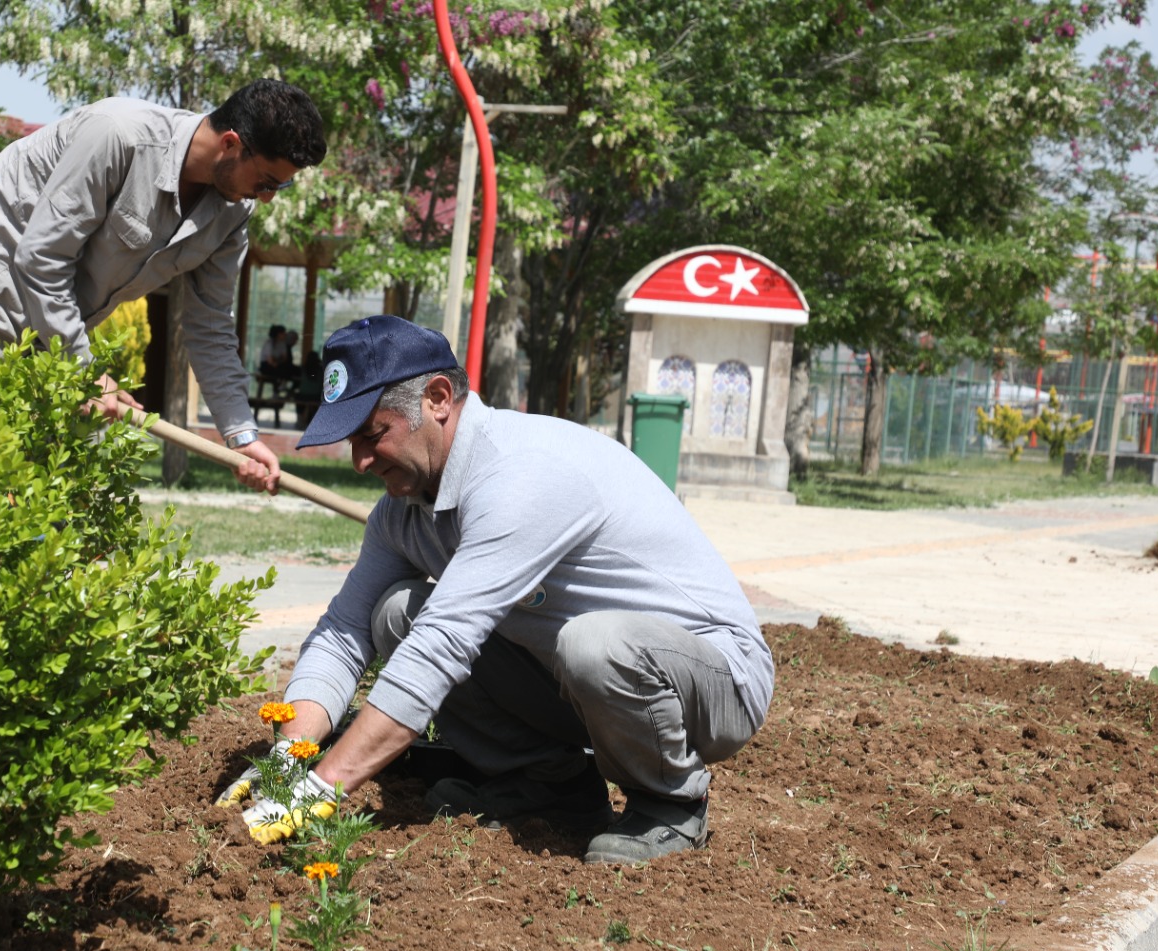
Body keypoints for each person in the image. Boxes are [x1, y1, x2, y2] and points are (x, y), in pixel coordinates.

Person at [217, 315, 774, 864]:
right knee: (395, 613)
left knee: (594, 642)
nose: (361, 461)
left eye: (373, 434)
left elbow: (443, 646)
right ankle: (551, 784)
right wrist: (291, 755)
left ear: (438, 398)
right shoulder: (405, 512)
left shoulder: (520, 476)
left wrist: (323, 787)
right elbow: (343, 632)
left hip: (713, 681)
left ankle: (669, 801)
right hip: (583, 685)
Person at [0, 80, 327, 493]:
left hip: (44, 327)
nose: (268, 197)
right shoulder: (119, 135)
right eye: (268, 181)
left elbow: (211, 327)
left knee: (47, 496)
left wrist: (243, 436)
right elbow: (42, 258)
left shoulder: (233, 212)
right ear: (231, 144)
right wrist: (85, 371)